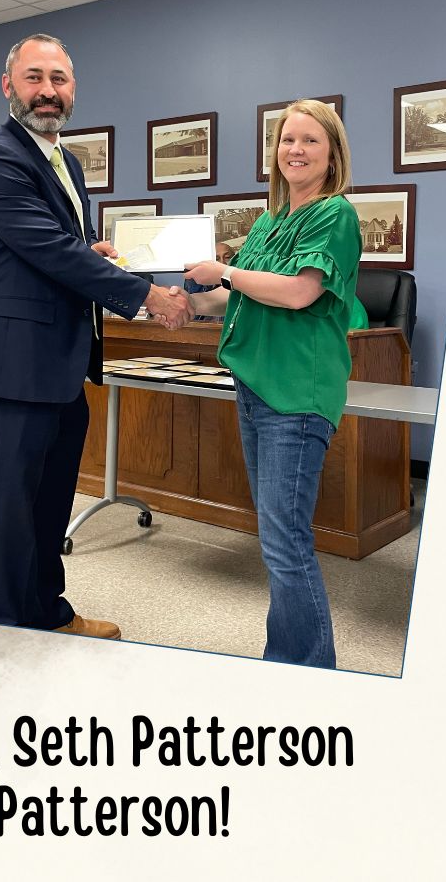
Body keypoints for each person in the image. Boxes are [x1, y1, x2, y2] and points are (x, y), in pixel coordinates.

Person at [0, 34, 191, 638]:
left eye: (59, 79)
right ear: (9, 87)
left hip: (60, 363)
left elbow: (56, 251)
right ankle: (2, 632)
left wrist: (93, 252)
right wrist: (145, 296)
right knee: (11, 508)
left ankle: (48, 613)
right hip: (11, 366)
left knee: (49, 501)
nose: (48, 91)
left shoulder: (65, 160)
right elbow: (49, 250)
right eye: (34, 78)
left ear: (73, 89)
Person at [182, 98, 362, 668]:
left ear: (332, 155)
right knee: (275, 535)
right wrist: (177, 301)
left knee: (286, 543)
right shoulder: (268, 220)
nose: (296, 150)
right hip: (255, 388)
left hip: (296, 394)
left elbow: (298, 292)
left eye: (310, 140)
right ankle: (284, 657)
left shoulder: (335, 215)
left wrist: (226, 271)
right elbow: (228, 296)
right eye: (287, 140)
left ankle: (310, 672)